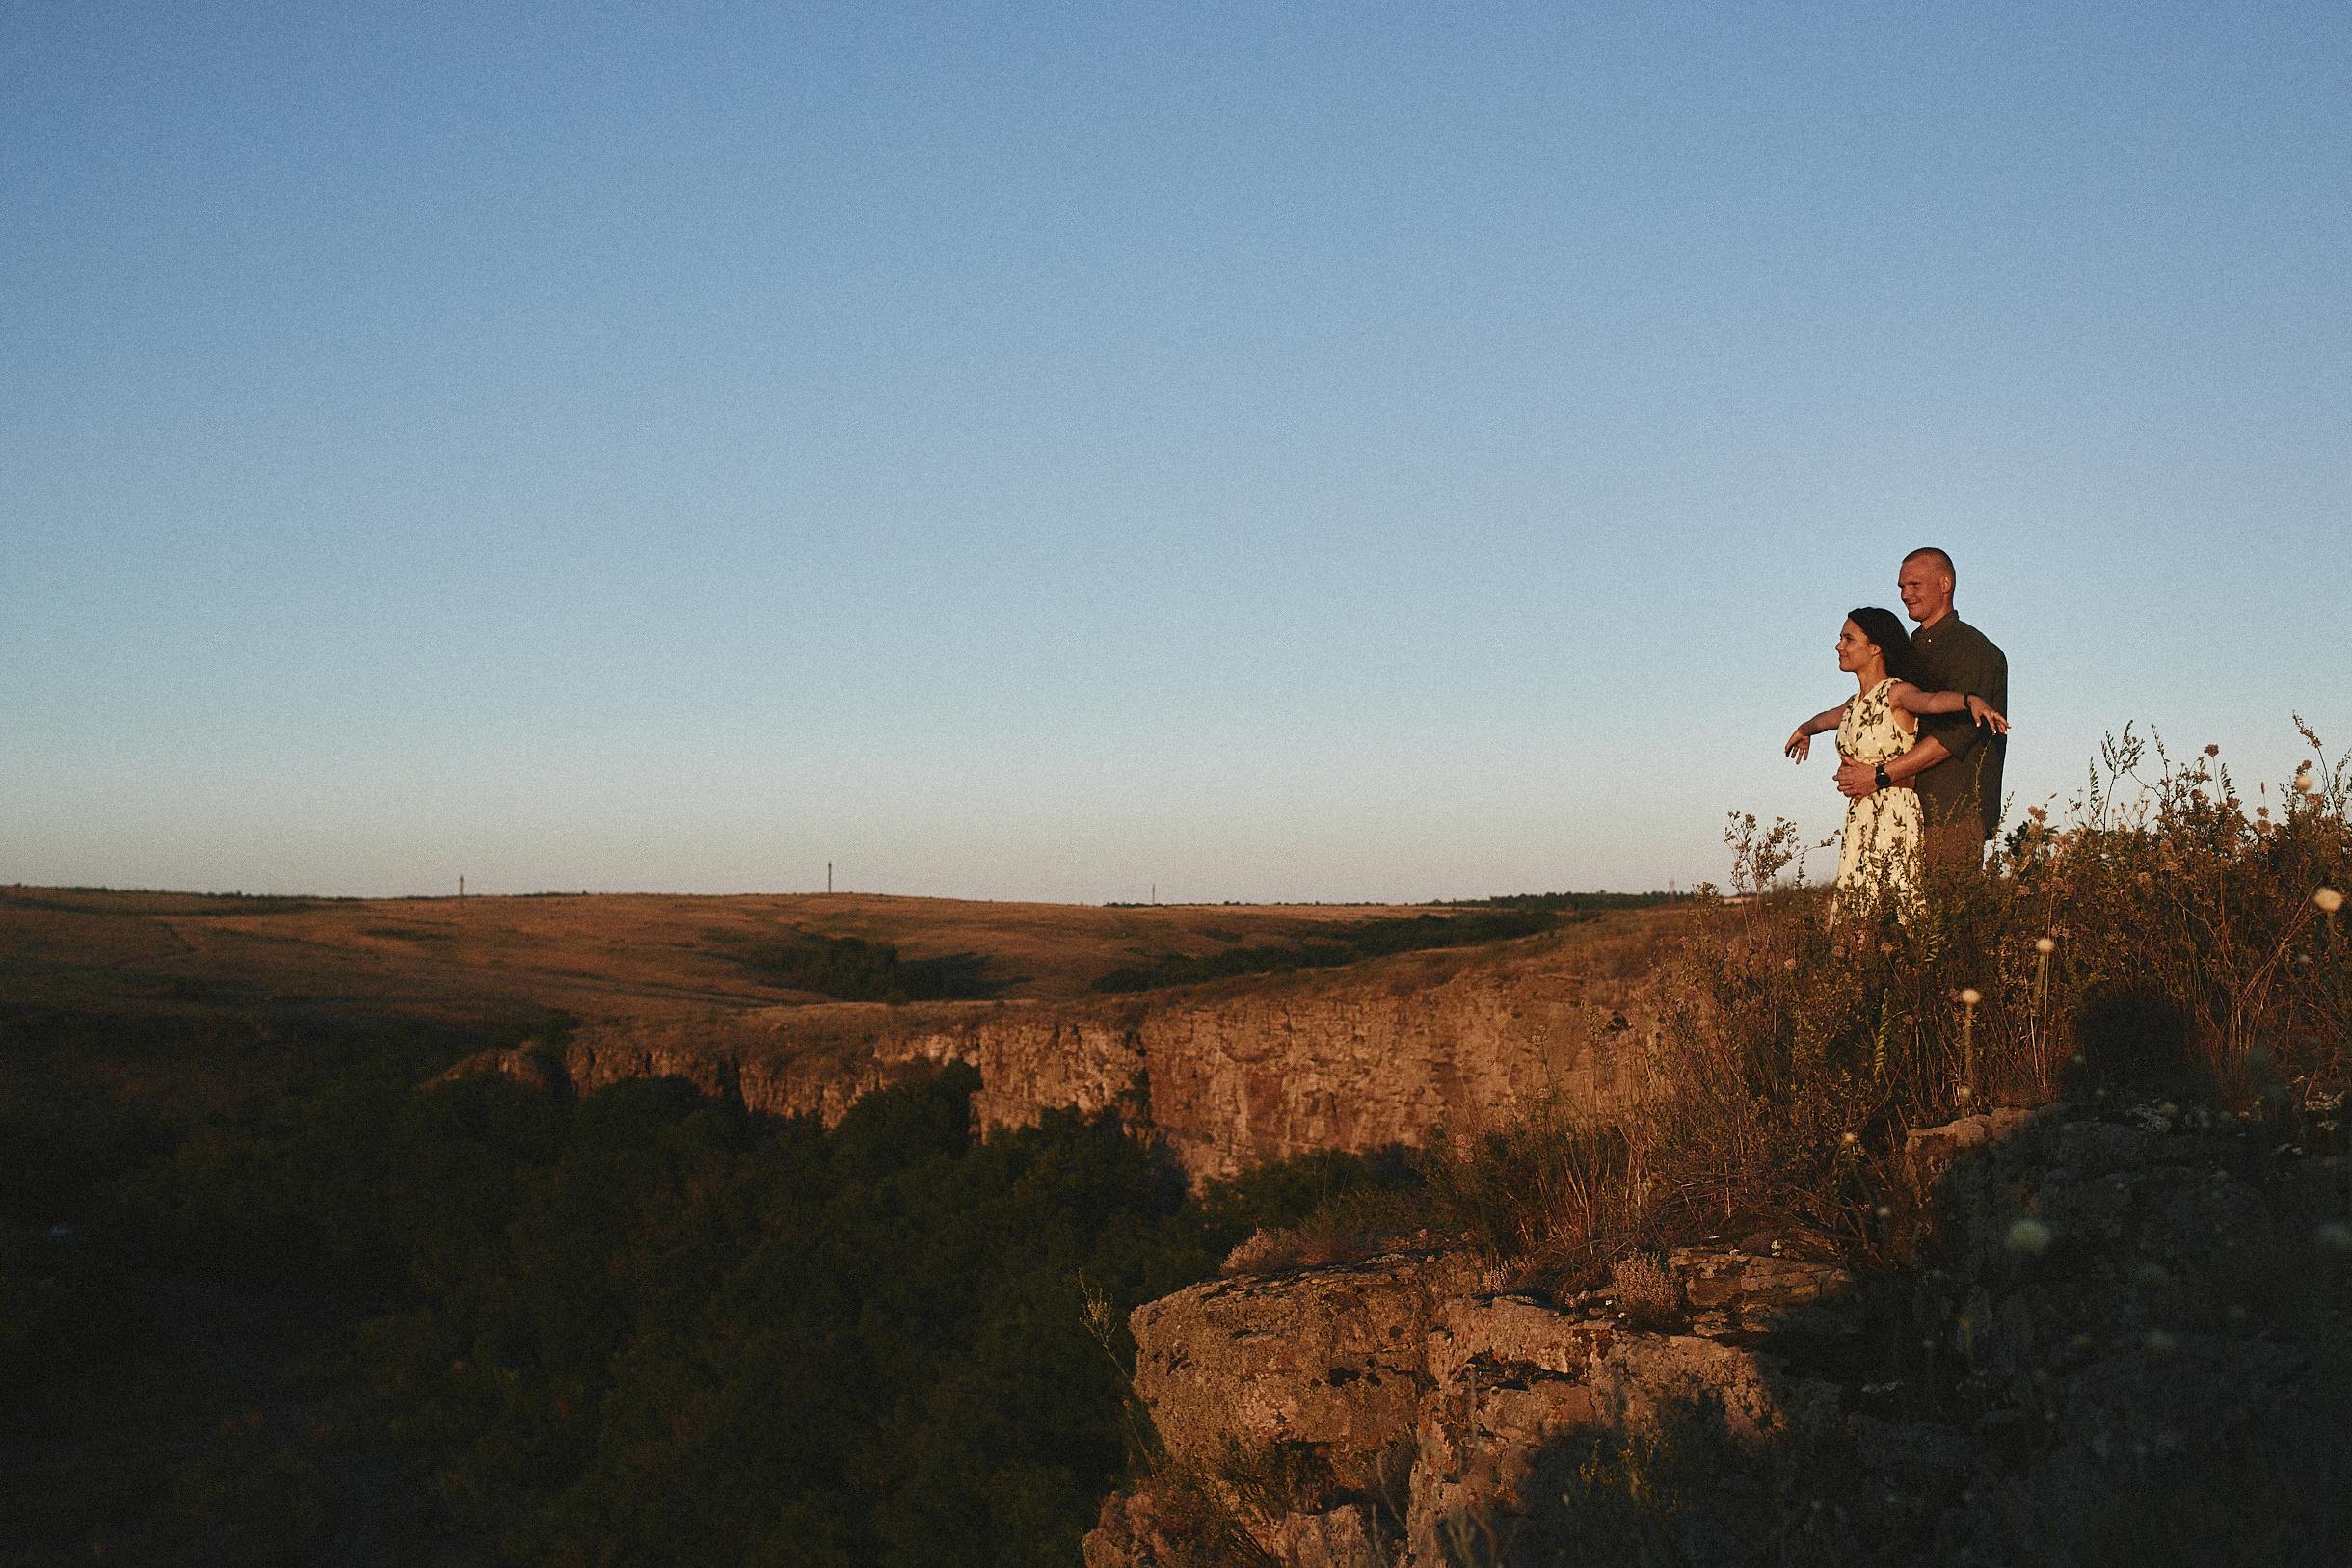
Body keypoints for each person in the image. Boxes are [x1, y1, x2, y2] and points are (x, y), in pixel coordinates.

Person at [1787, 607, 2007, 920]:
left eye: (1848, 639)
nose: (1839, 646)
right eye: (1840, 639)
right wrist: (1804, 730)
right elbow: (1823, 720)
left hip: (1894, 813)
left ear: (1875, 647)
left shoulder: (1896, 693)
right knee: (1859, 910)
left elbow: (1930, 701)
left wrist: (1969, 699)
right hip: (1860, 817)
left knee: (1901, 906)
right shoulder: (1852, 705)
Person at [1833, 548, 2010, 871]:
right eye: (1901, 587)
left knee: (1945, 920)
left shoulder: (1973, 651)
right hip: (1901, 813)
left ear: (1946, 584)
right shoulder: (1909, 649)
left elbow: (1953, 737)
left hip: (1950, 814)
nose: (1905, 594)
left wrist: (1880, 775)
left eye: (1914, 584)